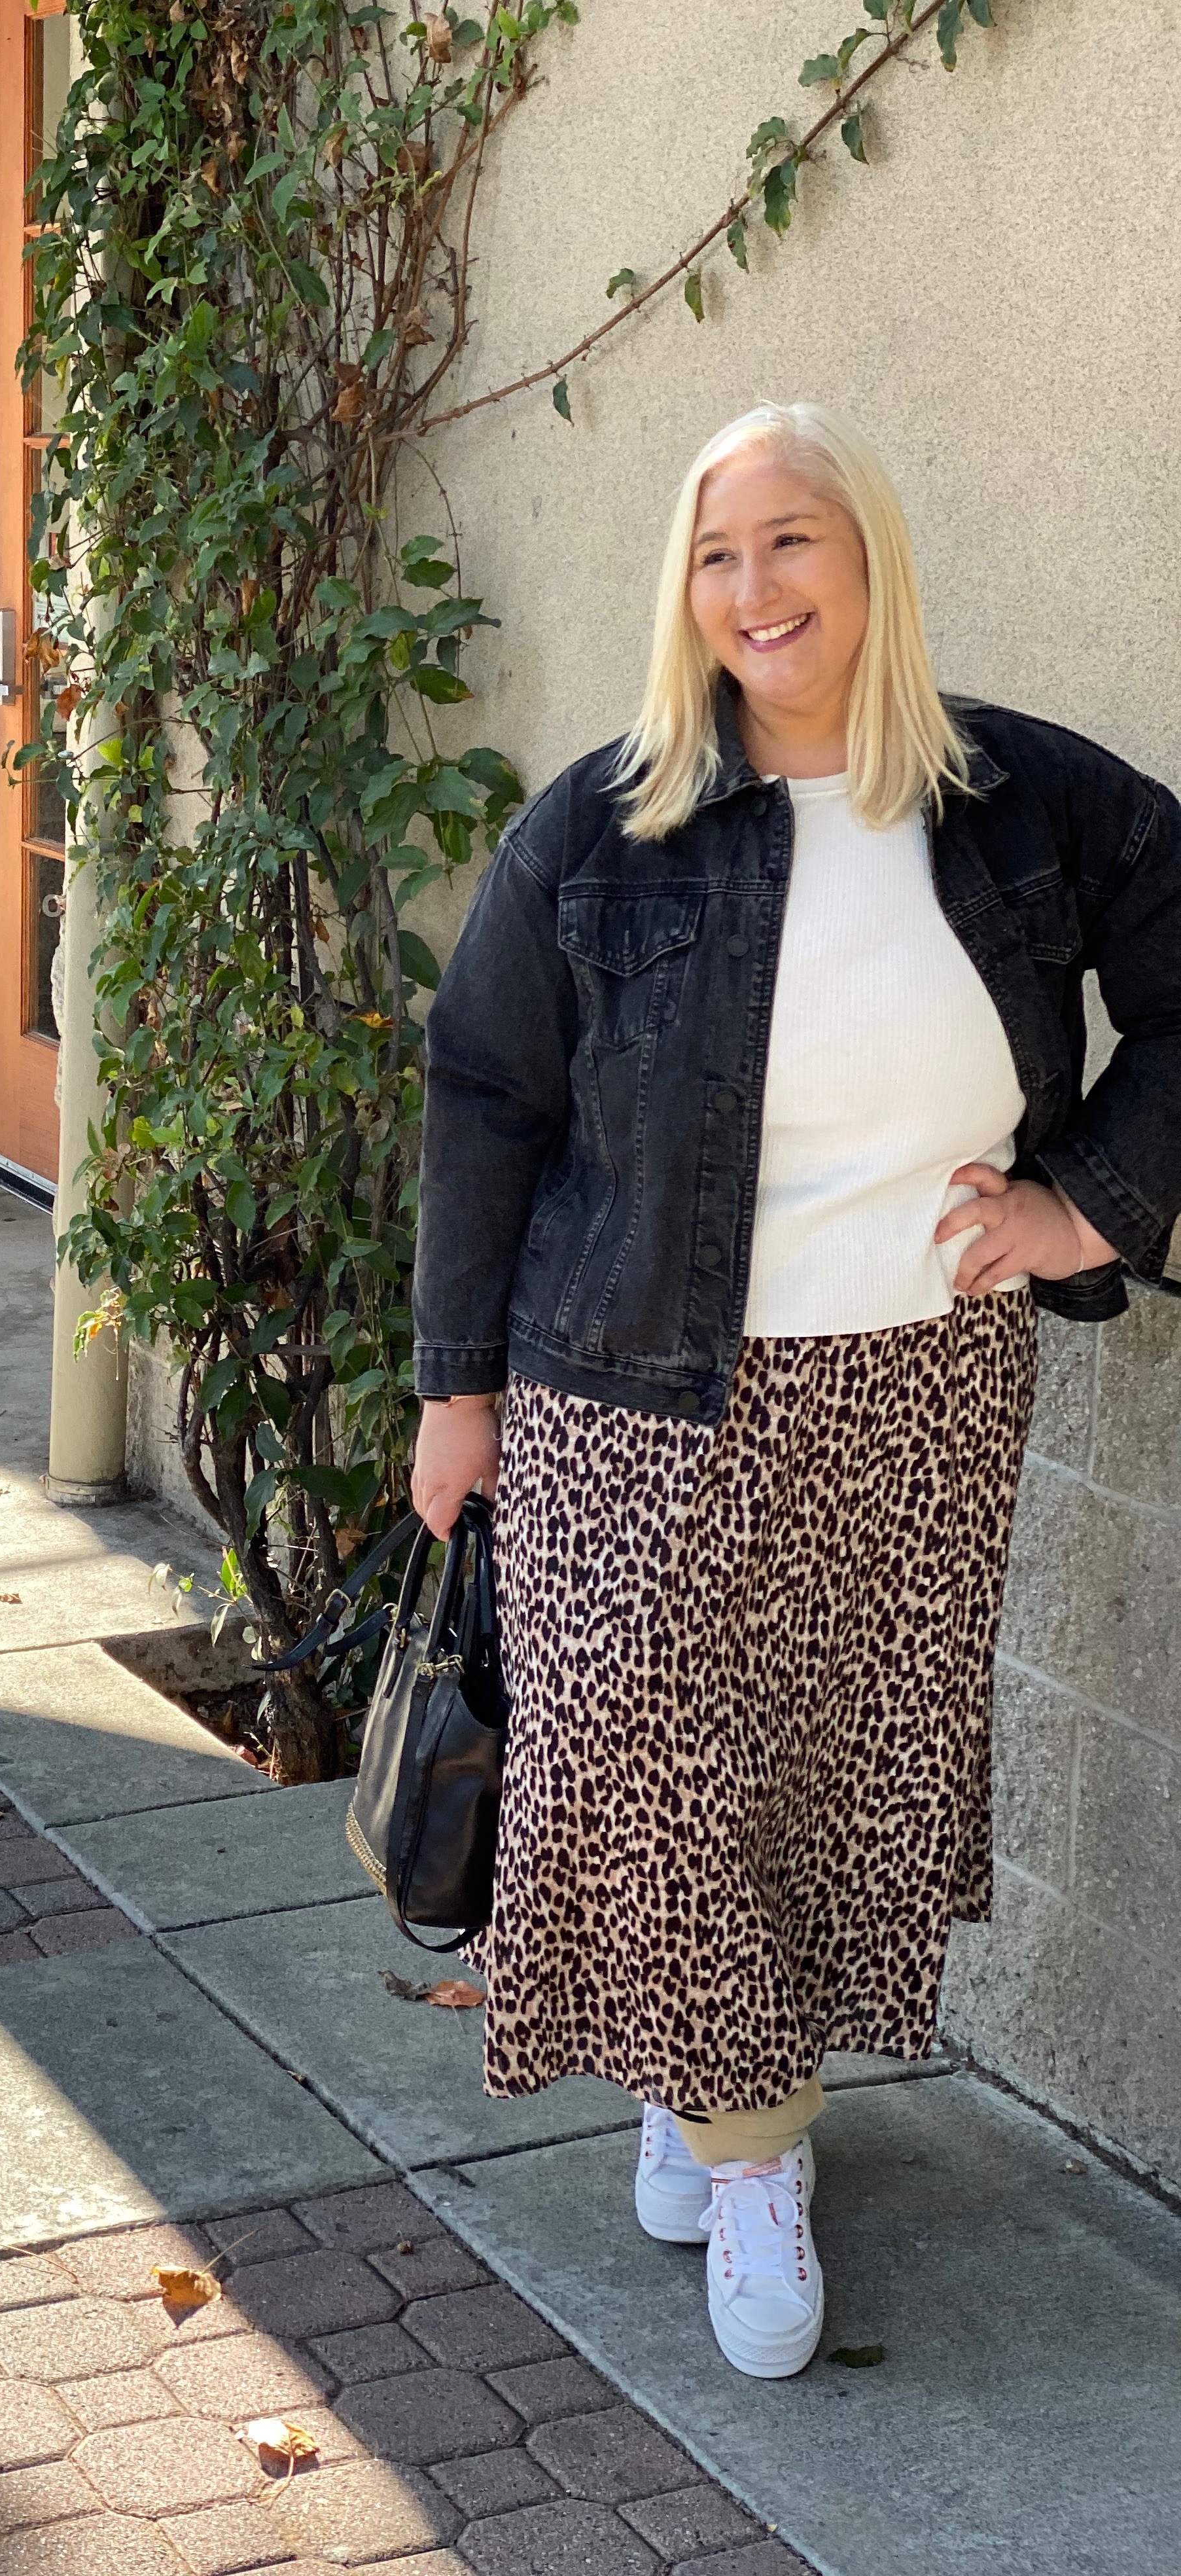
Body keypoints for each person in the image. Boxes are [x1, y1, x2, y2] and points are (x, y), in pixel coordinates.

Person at [408, 401, 1181, 2380]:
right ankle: (757, 2152)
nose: (753, 587)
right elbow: (484, 1100)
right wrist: (453, 1392)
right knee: (649, 1751)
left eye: (790, 539)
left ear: (868, 555)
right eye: (714, 552)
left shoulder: (1022, 800)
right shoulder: (604, 822)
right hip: (631, 1384)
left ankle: (710, 2086)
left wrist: (1087, 1205)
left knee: (821, 1769)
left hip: (921, 1379)